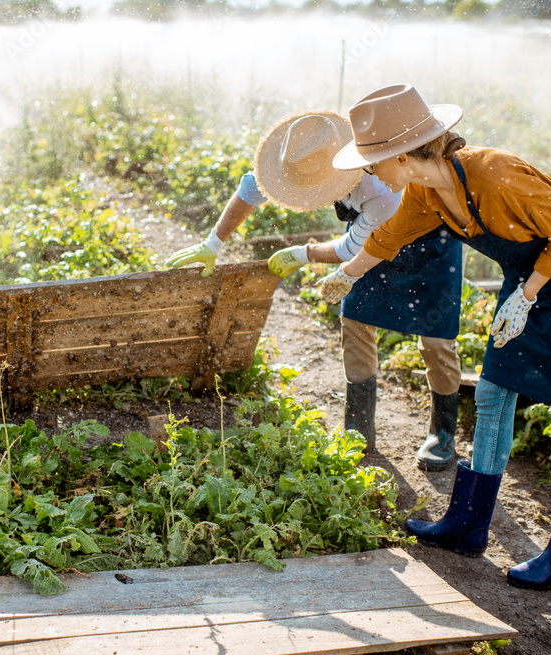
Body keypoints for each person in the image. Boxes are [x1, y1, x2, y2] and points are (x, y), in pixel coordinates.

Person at [323, 84, 551, 589]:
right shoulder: (426, 192)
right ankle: (468, 523)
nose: (369, 173)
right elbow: (387, 238)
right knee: (496, 394)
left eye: (372, 162)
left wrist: (529, 295)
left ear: (402, 156)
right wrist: (346, 273)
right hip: (525, 284)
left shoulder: (493, 173)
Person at [164, 110, 464, 468]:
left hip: (428, 247)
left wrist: (301, 254)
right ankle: (358, 430)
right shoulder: (311, 150)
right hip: (370, 241)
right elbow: (250, 187)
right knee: (354, 322)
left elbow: (353, 250)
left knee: (435, 339)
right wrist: (213, 243)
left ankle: (442, 433)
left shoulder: (383, 188)